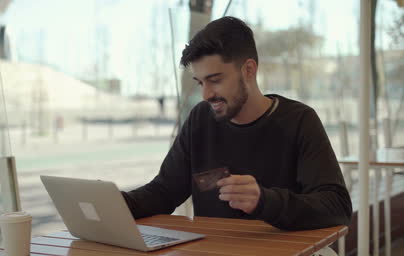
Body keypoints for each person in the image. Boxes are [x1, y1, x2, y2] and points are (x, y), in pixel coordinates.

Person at [122, 16, 352, 230]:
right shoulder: (200, 119)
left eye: (215, 80)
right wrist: (115, 203)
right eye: (200, 82)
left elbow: (337, 206)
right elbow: (164, 191)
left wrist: (264, 201)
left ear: (249, 70)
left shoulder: (299, 121)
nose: (206, 94)